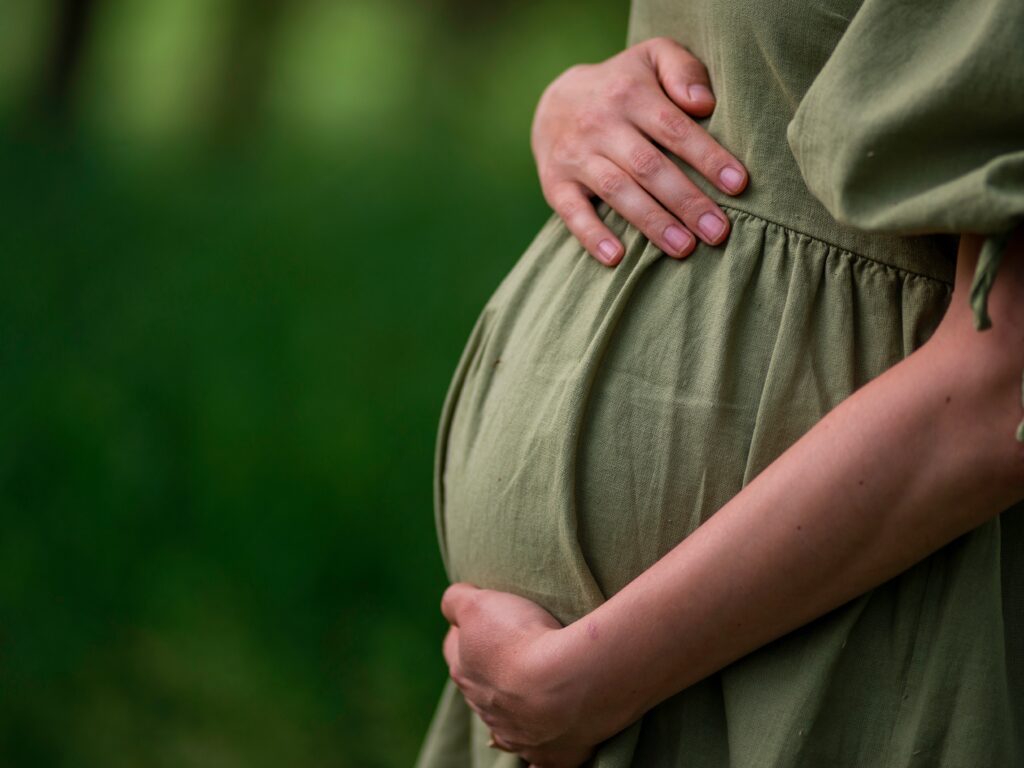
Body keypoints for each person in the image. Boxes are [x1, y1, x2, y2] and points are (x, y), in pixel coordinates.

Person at [417, 0, 1024, 765]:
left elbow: (1004, 387)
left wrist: (591, 678)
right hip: (578, 691)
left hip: (830, 654)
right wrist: (573, 102)